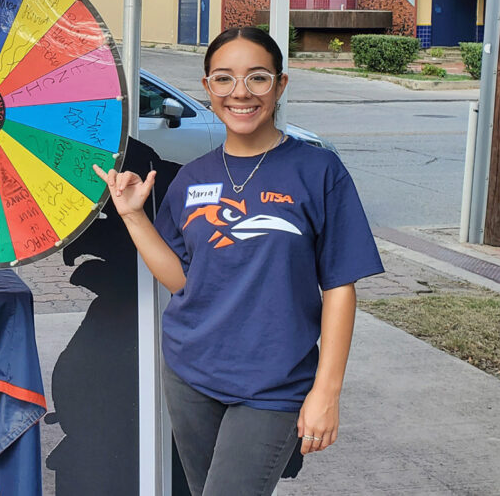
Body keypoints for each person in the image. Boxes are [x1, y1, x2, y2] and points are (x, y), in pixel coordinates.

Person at [94, 26, 383, 496]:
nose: (240, 93)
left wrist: (326, 392)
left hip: (274, 383)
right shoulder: (192, 178)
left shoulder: (317, 171)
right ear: (208, 89)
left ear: (281, 85)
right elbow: (181, 281)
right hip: (191, 373)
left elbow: (340, 287)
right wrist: (133, 218)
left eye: (258, 78)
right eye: (224, 79)